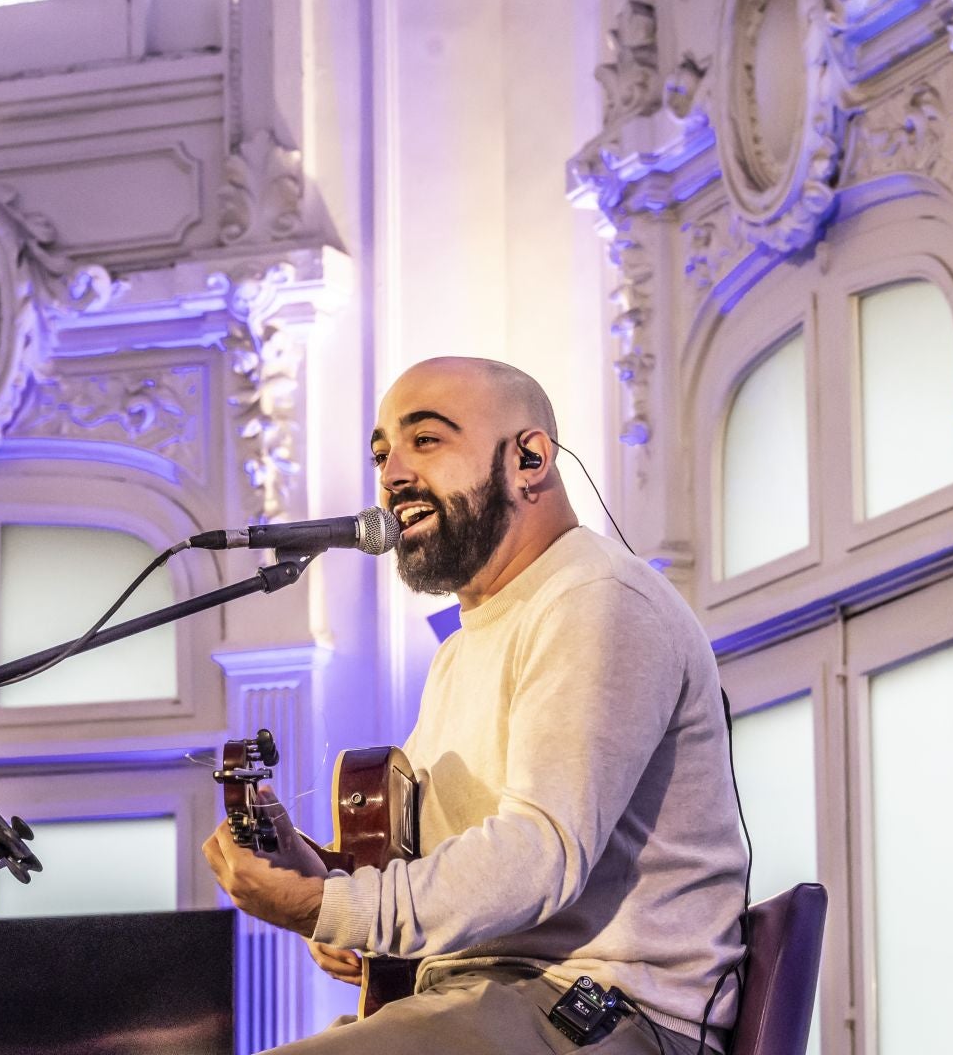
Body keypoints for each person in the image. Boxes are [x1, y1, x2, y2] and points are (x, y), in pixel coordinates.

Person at [201, 357, 748, 1053]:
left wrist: (333, 905)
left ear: (529, 458)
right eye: (381, 453)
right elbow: (450, 876)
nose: (392, 472)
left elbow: (539, 853)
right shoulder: (464, 646)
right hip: (484, 1002)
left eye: (425, 440)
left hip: (604, 1014)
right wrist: (325, 888)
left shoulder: (596, 598)